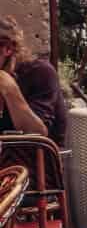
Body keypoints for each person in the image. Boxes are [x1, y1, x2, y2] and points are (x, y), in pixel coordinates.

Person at [0, 17, 66, 145]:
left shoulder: (39, 73)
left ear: (7, 49)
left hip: (36, 160)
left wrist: (10, 90)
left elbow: (36, 134)